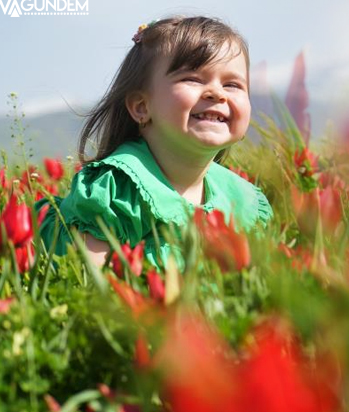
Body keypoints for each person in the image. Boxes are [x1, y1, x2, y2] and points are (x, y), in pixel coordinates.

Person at [34, 16, 273, 271]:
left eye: (232, 84)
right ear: (141, 106)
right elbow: (87, 285)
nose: (217, 93)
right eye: (192, 79)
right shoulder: (118, 189)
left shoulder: (244, 200)